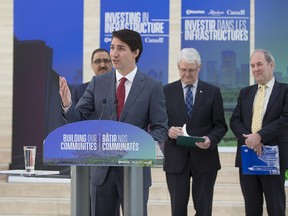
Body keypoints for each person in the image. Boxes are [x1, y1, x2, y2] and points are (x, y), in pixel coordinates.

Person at [59, 29, 168, 216]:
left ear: (136, 52)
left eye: (121, 48)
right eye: (112, 48)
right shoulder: (97, 83)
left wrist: (138, 145)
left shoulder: (152, 86)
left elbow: (160, 128)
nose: (114, 54)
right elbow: (79, 119)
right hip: (102, 173)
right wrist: (68, 104)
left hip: (135, 172)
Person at [163, 48, 227, 216]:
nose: (187, 74)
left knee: (204, 210)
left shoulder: (213, 92)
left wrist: (210, 139)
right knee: (177, 209)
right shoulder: (165, 92)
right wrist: (168, 130)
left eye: (191, 70)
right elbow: (157, 124)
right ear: (178, 67)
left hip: (205, 160)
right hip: (176, 160)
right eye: (183, 70)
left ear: (199, 67)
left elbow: (220, 125)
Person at [230, 49, 288, 216]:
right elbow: (234, 120)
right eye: (252, 65)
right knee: (251, 207)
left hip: (273, 157)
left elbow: (285, 119)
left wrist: (260, 136)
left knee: (276, 207)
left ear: (271, 65)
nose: (256, 69)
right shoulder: (245, 93)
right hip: (248, 156)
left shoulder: (285, 91)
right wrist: (250, 139)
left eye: (259, 64)